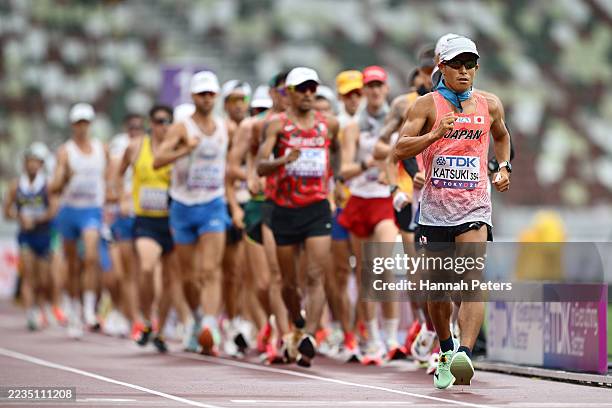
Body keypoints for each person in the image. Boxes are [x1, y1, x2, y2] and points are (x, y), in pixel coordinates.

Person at [392, 36, 511, 389]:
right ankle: (445, 346)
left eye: (470, 64)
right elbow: (400, 148)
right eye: (456, 64)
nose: (464, 71)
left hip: (475, 205)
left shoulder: (489, 104)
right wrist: (432, 137)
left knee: (473, 277)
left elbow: (502, 137)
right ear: (440, 67)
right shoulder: (426, 106)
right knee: (440, 290)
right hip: (434, 211)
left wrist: (502, 167)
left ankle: (465, 355)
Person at [257, 67, 340, 367]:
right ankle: (296, 321)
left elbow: (338, 153)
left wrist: (337, 181)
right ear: (289, 93)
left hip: (317, 207)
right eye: (301, 89)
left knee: (316, 276)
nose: (308, 95)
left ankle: (309, 337)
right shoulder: (276, 125)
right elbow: (260, 166)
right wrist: (284, 160)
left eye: (312, 89)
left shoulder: (328, 124)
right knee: (289, 283)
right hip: (283, 209)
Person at [153, 70, 235, 355]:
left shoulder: (226, 128)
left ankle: (209, 325)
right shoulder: (181, 128)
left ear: (217, 96)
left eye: (211, 94)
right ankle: (198, 318)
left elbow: (236, 161)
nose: (207, 99)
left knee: (210, 270)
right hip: (183, 206)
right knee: (188, 277)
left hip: (213, 203)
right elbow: (157, 160)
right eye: (202, 94)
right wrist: (184, 150)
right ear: (193, 97)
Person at [338, 66, 404, 364]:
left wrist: (393, 174)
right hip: (359, 200)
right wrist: (369, 163)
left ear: (386, 89)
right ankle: (373, 339)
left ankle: (392, 337)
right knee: (366, 274)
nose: (375, 91)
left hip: (383, 201)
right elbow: (345, 170)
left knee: (385, 267)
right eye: (370, 86)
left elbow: (408, 158)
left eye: (379, 86)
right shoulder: (353, 127)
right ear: (364, 91)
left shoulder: (399, 122)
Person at [228, 73, 292, 363]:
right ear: (274, 92)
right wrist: (252, 177)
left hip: (294, 207)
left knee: (290, 280)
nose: (288, 95)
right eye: (283, 90)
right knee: (266, 282)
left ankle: (286, 333)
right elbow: (231, 168)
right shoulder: (252, 125)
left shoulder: (308, 125)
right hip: (259, 206)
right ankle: (274, 328)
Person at [115, 105, 185, 353]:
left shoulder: (178, 149)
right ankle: (146, 319)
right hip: (146, 220)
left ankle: (161, 329)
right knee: (146, 267)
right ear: (151, 123)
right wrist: (122, 196)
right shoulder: (136, 147)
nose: (163, 126)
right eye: (158, 121)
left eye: (168, 121)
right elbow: (118, 173)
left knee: (169, 279)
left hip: (173, 219)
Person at [49, 103, 110, 338]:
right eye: (78, 123)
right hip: (69, 211)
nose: (82, 127)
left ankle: (88, 308)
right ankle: (73, 310)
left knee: (92, 257)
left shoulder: (100, 149)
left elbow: (110, 176)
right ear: (73, 125)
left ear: (90, 124)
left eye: (86, 123)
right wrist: (65, 177)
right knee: (73, 264)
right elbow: (53, 187)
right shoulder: (65, 151)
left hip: (91, 210)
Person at [3, 144, 59, 330]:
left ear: (41, 164)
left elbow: (53, 210)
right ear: (25, 164)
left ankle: (42, 308)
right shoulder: (16, 186)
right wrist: (19, 216)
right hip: (26, 236)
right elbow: (7, 211)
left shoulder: (48, 185)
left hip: (43, 235)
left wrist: (36, 219)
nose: (32, 165)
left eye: (36, 162)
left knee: (43, 279)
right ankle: (30, 314)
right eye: (29, 162)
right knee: (28, 275)